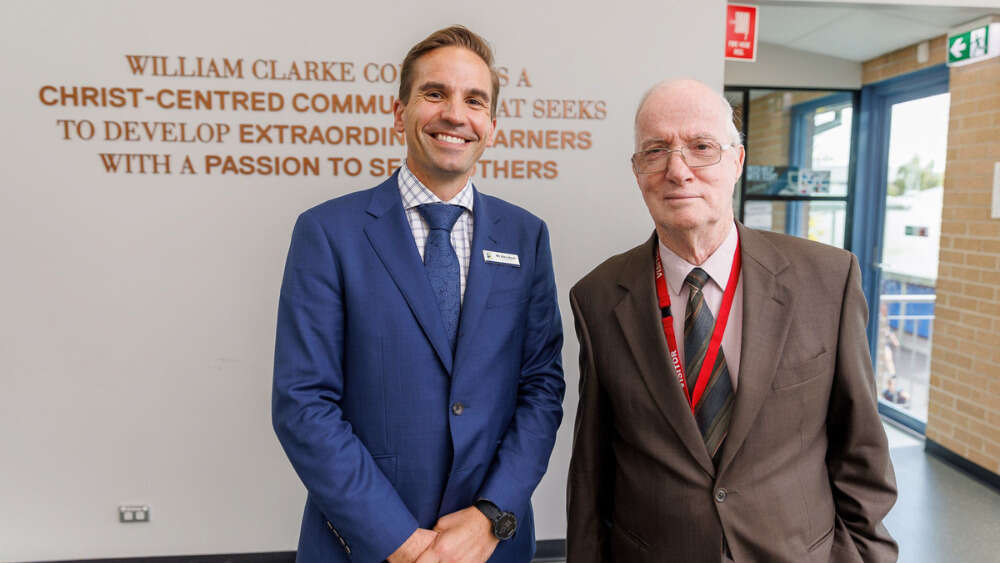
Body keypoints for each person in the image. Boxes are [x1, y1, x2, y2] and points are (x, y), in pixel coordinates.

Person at [566, 79, 897, 562]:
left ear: (737, 161)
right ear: (637, 170)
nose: (678, 171)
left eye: (702, 147)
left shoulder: (827, 280)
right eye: (656, 150)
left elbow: (862, 451)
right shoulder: (597, 297)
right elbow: (592, 471)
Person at [272, 25, 564, 563]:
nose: (455, 114)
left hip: (491, 546)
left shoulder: (527, 236)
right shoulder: (328, 232)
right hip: (362, 546)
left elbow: (541, 389)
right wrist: (399, 542)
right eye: (435, 94)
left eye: (474, 100)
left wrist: (490, 517)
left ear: (492, 127)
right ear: (399, 110)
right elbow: (303, 403)